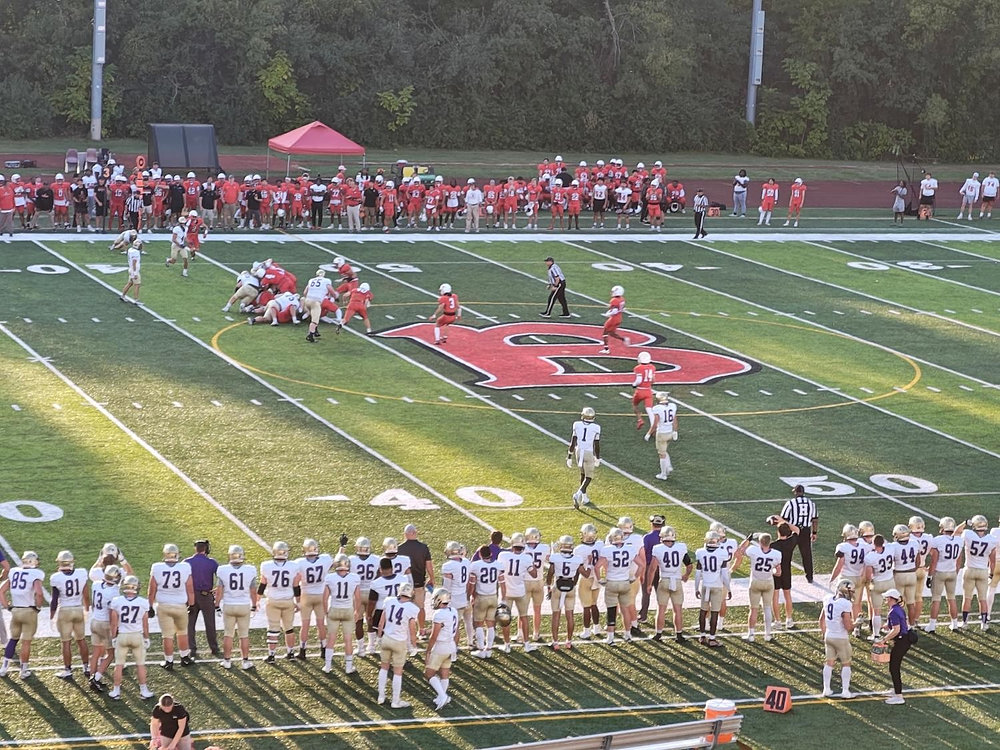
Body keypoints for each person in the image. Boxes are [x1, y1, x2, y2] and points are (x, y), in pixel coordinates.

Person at [148, 544, 194, 670]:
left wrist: (150, 606)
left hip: (164, 606)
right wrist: (192, 604)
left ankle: (169, 661)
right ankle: (184, 658)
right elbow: (190, 589)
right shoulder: (185, 567)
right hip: (180, 605)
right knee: (182, 633)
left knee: (167, 635)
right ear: (176, 554)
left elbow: (152, 590)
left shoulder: (157, 567)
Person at [0, 550, 45, 678]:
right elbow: (39, 593)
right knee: (26, 642)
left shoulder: (14, 572)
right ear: (34, 561)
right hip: (28, 611)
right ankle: (23, 670)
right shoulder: (36, 573)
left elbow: (1, 591)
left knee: (13, 640)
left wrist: (7, 606)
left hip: (15, 611)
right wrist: (38, 607)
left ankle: (4, 668)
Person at [108, 575, 154, 700]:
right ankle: (143, 690)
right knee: (140, 664)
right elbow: (145, 623)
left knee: (119, 665)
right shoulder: (143, 602)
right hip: (137, 635)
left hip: (122, 635)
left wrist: (113, 637)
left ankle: (116, 691)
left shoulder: (117, 601)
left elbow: (113, 623)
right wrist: (146, 637)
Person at [376, 583, 419, 708]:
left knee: (383, 667)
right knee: (398, 672)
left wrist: (379, 636)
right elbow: (412, 629)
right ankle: (395, 701)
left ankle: (381, 696)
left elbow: (381, 621)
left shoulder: (389, 601)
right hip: (399, 642)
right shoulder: (412, 608)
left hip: (386, 638)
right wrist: (413, 645)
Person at [731, 533, 781, 642]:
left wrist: (747, 540)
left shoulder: (753, 550)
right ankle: (767, 635)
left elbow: (740, 550)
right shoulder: (776, 554)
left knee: (753, 609)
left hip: (755, 582)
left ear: (759, 542)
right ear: (770, 542)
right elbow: (778, 573)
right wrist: (771, 570)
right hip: (768, 582)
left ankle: (751, 635)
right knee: (767, 608)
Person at [214, 545, 258, 670]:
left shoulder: (223, 570)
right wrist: (254, 605)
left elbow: (219, 591)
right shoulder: (249, 570)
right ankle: (245, 662)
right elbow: (253, 591)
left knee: (228, 634)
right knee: (244, 635)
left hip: (229, 605)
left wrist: (217, 605)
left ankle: (227, 660)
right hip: (244, 605)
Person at [50, 550, 90, 679]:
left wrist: (51, 615)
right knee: (81, 640)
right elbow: (86, 594)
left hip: (65, 611)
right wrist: (87, 608)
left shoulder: (56, 577)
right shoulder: (81, 573)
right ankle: (86, 667)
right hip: (78, 609)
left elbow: (54, 600)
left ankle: (67, 669)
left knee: (66, 642)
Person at [648, 526, 692, 642]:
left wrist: (648, 584)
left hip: (664, 580)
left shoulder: (658, 548)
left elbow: (652, 568)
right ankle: (679, 635)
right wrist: (686, 575)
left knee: (661, 609)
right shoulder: (681, 547)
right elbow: (689, 565)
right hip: (676, 581)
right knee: (677, 609)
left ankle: (658, 634)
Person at [259, 541, 299, 662]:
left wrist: (256, 601)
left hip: (273, 601)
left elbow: (262, 585)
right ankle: (291, 653)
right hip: (288, 600)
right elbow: (296, 586)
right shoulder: (293, 566)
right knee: (289, 628)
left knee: (273, 628)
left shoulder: (266, 565)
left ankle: (271, 655)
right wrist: (299, 602)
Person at [956, 515, 997, 630]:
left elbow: (956, 533)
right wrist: (991, 574)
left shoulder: (968, 534)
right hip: (983, 571)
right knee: (982, 598)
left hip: (969, 569)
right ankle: (984, 624)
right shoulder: (991, 539)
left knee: (967, 597)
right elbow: (992, 561)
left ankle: (964, 622)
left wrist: (964, 522)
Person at [322, 554, 361, 675]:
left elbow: (324, 598)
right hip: (348, 609)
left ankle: (327, 666)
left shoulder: (330, 577)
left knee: (331, 638)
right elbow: (358, 598)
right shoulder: (354, 577)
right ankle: (348, 667)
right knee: (348, 639)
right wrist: (356, 611)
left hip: (334, 608)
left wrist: (326, 612)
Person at [497, 533, 536, 651]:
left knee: (505, 618)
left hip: (506, 592)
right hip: (520, 592)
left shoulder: (503, 555)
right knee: (524, 617)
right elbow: (533, 574)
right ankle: (527, 644)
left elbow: (499, 571)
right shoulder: (527, 558)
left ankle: (507, 645)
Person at [546, 535, 586, 649]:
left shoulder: (556, 557)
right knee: (570, 615)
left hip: (558, 586)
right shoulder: (577, 559)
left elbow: (550, 573)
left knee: (556, 615)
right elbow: (583, 573)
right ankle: (569, 641)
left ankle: (555, 642)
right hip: (570, 587)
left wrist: (549, 587)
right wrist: (575, 581)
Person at [295, 538, 333, 659]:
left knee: (305, 624)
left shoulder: (299, 563)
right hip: (320, 595)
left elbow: (295, 582)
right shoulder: (325, 559)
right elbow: (337, 561)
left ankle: (302, 650)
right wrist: (342, 547)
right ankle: (323, 648)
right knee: (321, 624)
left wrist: (298, 601)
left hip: (306, 595)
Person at [819, 579, 856, 699]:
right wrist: (857, 623)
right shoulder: (845, 604)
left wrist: (824, 634)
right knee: (846, 663)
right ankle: (845, 691)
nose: (851, 595)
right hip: (840, 637)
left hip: (829, 636)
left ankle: (826, 689)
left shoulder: (828, 599)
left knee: (829, 663)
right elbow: (848, 626)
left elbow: (821, 620)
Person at [924, 517, 962, 633]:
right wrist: (955, 572)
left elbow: (934, 561)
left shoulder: (938, 540)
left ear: (942, 528)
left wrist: (930, 576)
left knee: (936, 599)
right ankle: (954, 624)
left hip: (940, 572)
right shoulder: (959, 540)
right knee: (951, 598)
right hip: (952, 572)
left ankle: (932, 625)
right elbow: (959, 561)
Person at [87, 564, 120, 693]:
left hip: (94, 620)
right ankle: (97, 677)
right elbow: (113, 613)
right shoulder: (114, 591)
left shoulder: (95, 584)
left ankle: (92, 677)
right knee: (111, 654)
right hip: (105, 623)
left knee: (96, 652)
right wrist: (114, 630)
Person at [184, 540, 219, 659]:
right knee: (210, 623)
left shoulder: (186, 562)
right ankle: (213, 647)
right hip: (206, 596)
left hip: (190, 596)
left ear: (196, 548)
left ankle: (191, 648)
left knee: (190, 623)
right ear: (205, 549)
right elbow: (221, 578)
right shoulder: (212, 562)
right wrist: (216, 589)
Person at [424, 588, 458, 710]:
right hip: (451, 645)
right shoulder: (453, 610)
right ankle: (442, 697)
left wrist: (428, 650)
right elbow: (450, 628)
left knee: (429, 674)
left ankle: (442, 696)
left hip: (441, 646)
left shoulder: (439, 614)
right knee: (444, 674)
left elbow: (434, 635)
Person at [398, 524, 433, 637]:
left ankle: (405, 631)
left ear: (405, 534)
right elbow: (429, 565)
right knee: (420, 607)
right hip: (419, 582)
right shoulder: (423, 547)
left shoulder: (400, 548)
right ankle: (421, 630)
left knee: (403, 607)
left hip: (404, 584)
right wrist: (432, 578)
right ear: (415, 533)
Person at [777, 484, 817, 582]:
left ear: (795, 492)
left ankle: (785, 574)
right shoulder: (811, 503)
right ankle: (809, 576)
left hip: (793, 530)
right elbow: (815, 519)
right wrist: (814, 532)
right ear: (803, 492)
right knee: (807, 554)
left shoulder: (791, 503)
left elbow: (783, 519)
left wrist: (782, 533)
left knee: (787, 553)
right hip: (806, 530)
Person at [469, 545, 501, 658]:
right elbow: (502, 582)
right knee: (491, 623)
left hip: (481, 597)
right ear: (491, 554)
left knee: (478, 624)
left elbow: (472, 584)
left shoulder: (475, 566)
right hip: (493, 596)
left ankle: (481, 649)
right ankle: (489, 649)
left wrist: (469, 596)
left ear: (480, 555)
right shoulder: (498, 564)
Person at [767, 521, 800, 629]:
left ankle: (777, 621)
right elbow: (797, 530)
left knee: (775, 597)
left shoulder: (773, 545)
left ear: (778, 532)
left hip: (776, 572)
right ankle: (789, 619)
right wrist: (785, 522)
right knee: (787, 595)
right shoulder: (791, 542)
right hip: (787, 571)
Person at [881, 589, 911, 705]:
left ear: (890, 598)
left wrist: (884, 639)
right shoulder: (898, 609)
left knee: (894, 667)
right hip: (904, 640)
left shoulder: (893, 611)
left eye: (887, 597)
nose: (885, 599)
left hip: (901, 641)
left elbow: (896, 630)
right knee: (894, 666)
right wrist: (886, 626)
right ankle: (896, 690)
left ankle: (899, 696)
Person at [568, 406, 601, 509]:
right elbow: (596, 444)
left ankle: (584, 497)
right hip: (588, 452)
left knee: (582, 473)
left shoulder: (576, 424)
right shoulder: (596, 427)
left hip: (578, 451)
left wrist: (569, 456)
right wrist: (597, 457)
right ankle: (578, 494)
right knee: (588, 477)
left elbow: (573, 442)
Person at [522, 527, 549, 642]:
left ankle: (520, 634)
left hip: (525, 581)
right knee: (537, 609)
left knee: (523, 610)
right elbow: (549, 560)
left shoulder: (522, 548)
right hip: (538, 581)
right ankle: (536, 633)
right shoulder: (544, 548)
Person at [644, 391, 678, 480]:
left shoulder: (657, 408)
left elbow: (655, 424)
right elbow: (675, 420)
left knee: (661, 454)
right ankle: (669, 466)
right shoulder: (672, 406)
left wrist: (648, 433)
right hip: (670, 432)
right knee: (664, 450)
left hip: (662, 433)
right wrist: (675, 431)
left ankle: (663, 474)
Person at [639, 514, 664, 623]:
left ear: (652, 524)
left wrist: (642, 571)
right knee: (660, 592)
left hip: (649, 567)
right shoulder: (664, 536)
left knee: (646, 592)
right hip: (662, 568)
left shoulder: (647, 537)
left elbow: (643, 554)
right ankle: (661, 613)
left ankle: (643, 615)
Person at [599, 284, 629, 354]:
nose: (612, 292)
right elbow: (621, 308)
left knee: (605, 333)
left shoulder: (614, 300)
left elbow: (614, 311)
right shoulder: (622, 299)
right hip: (619, 318)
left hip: (613, 319)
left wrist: (607, 314)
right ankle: (624, 339)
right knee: (612, 333)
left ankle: (606, 349)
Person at [631, 352, 656, 430]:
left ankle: (639, 419)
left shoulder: (638, 368)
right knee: (649, 409)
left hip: (640, 391)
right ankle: (653, 426)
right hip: (648, 391)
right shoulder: (652, 367)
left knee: (635, 405)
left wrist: (634, 384)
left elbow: (639, 380)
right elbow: (653, 380)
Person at [120, 240, 143, 304]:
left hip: (131, 269)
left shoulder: (130, 249)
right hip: (134, 270)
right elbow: (134, 263)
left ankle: (123, 296)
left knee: (130, 283)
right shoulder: (135, 252)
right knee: (137, 285)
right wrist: (135, 273)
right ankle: (136, 300)